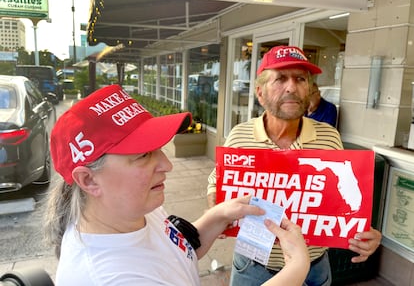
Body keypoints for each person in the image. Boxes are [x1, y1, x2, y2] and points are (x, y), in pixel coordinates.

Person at [43, 84, 310, 286]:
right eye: (143, 155)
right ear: (88, 179)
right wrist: (295, 270)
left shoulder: (131, 210)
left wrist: (217, 216)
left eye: (158, 149)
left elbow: (178, 252)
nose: (166, 165)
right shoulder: (111, 278)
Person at [206, 45, 382, 286]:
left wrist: (360, 230)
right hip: (253, 265)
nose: (291, 87)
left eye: (300, 79)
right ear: (260, 93)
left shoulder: (329, 137)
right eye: (280, 79)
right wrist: (218, 211)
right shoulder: (240, 136)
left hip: (313, 266)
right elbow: (216, 184)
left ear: (308, 90)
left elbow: (337, 197)